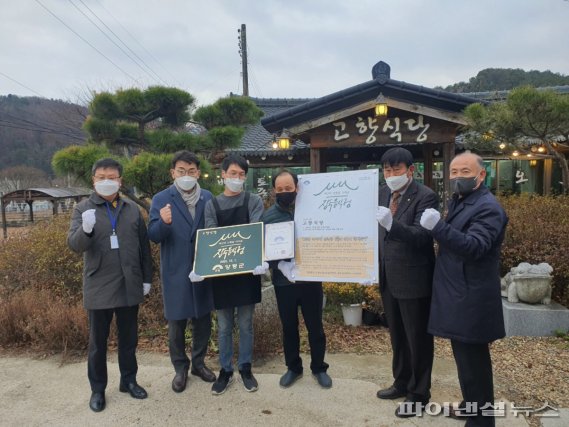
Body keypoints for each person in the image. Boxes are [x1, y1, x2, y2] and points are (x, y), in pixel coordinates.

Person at [419, 151, 508, 426]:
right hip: (459, 292)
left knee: (474, 365)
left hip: (472, 296)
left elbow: (475, 247)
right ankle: (471, 408)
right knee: (465, 361)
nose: (458, 177)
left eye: (465, 172)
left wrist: (438, 228)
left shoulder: (488, 207)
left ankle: (481, 421)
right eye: (454, 172)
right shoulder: (462, 200)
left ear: (481, 175)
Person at [67, 158, 152, 413]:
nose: (107, 181)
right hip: (99, 284)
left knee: (129, 339)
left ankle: (129, 380)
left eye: (112, 177)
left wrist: (147, 278)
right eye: (101, 177)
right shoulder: (83, 209)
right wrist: (87, 229)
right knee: (98, 343)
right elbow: (74, 245)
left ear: (120, 180)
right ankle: (97, 389)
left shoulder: (131, 209)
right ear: (93, 180)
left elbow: (144, 248)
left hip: (129, 282)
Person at [190, 154, 268, 395]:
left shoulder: (253, 200)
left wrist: (260, 259)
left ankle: (245, 367)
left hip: (247, 273)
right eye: (233, 174)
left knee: (245, 324)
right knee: (223, 326)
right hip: (222, 274)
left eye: (242, 174)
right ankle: (225, 369)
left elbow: (256, 231)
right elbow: (211, 236)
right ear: (222, 174)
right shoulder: (211, 204)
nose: (237, 178)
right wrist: (202, 266)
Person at [374, 147, 438, 418]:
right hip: (388, 276)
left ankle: (419, 394)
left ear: (410, 171)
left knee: (417, 338)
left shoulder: (426, 196)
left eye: (396, 170)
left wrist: (392, 225)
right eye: (387, 170)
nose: (391, 175)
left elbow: (423, 236)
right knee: (398, 335)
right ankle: (401, 382)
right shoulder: (381, 193)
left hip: (414, 279)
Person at [148, 151, 216, 393]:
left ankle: (198, 363)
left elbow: (216, 231)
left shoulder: (207, 197)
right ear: (172, 173)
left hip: (203, 268)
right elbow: (154, 236)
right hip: (175, 270)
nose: (186, 176)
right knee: (176, 323)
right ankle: (180, 368)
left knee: (203, 320)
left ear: (198, 173)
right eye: (181, 171)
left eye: (191, 171)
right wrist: (163, 223)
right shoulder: (161, 199)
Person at [262, 170, 332, 389]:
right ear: (274, 191)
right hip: (284, 284)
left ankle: (319, 367)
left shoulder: (312, 210)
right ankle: (293, 367)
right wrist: (280, 265)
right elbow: (263, 250)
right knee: (289, 327)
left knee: (315, 327)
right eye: (280, 189)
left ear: (297, 188)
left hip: (311, 281)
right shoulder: (268, 217)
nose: (285, 193)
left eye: (288, 188)